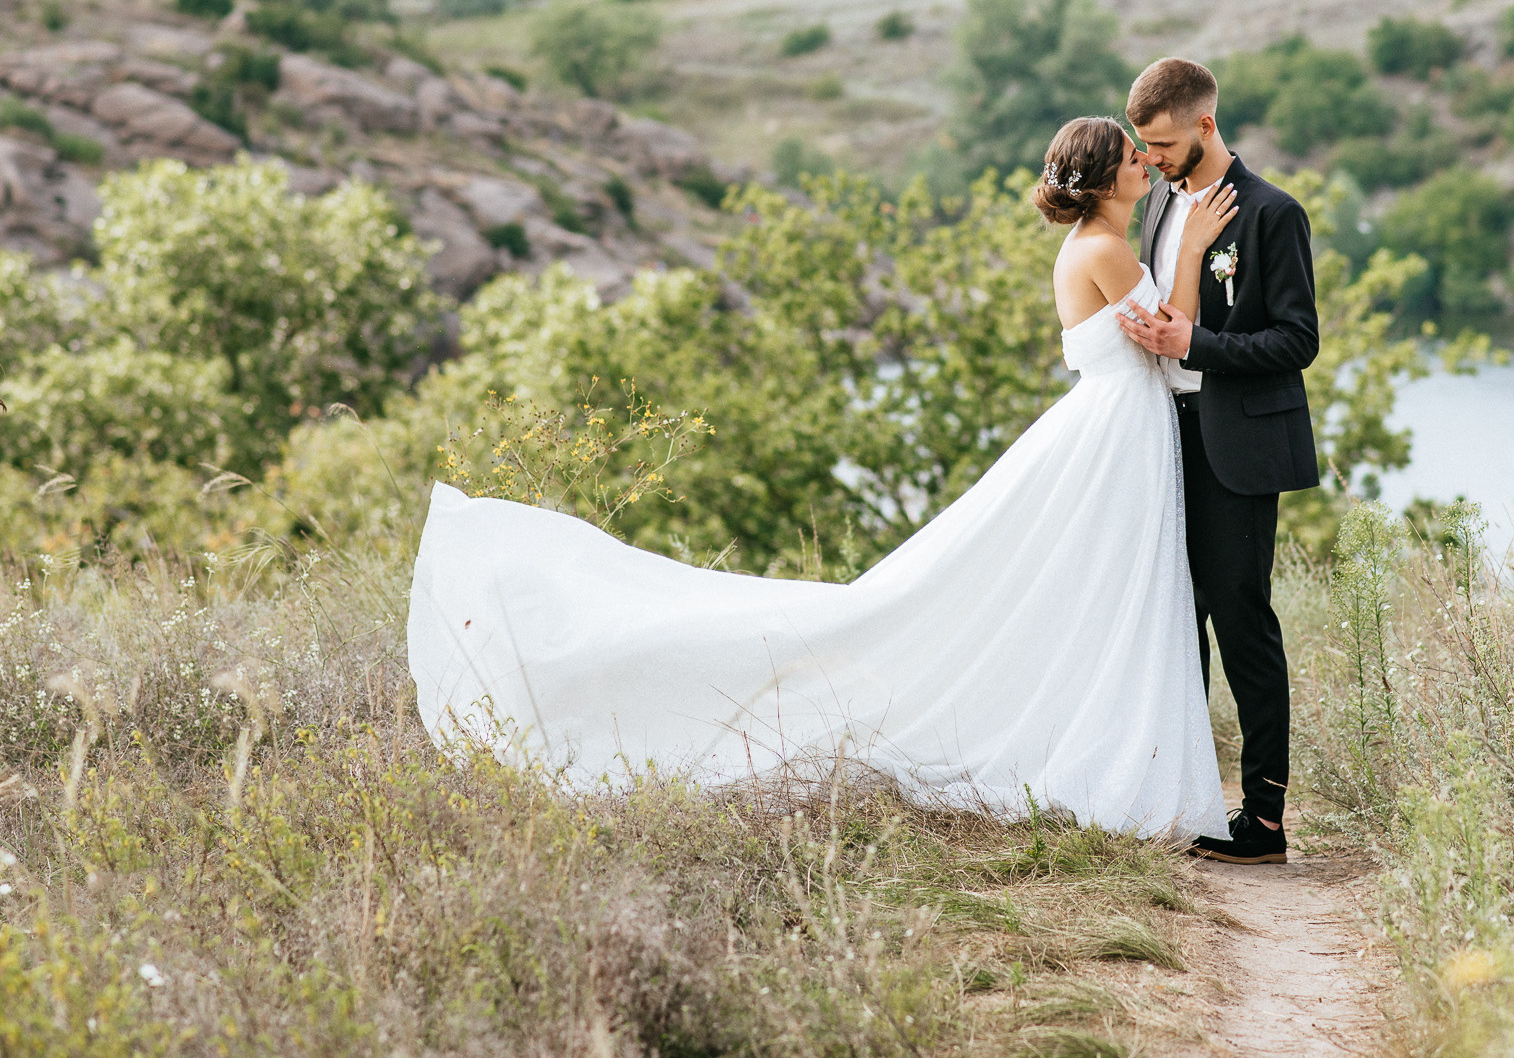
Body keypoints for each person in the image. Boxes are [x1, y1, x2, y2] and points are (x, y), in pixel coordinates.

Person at [407, 116, 1237, 843]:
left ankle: (1108, 741)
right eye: (1131, 156)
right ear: (1101, 178)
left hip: (1112, 433)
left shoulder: (1095, 243)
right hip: (1114, 438)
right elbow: (1173, 336)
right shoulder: (1104, 247)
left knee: (1103, 594)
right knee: (1097, 592)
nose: (1144, 164)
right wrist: (1195, 249)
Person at [1117, 58, 1321, 865]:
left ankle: (1264, 820)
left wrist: (1196, 342)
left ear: (1205, 124)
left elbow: (1298, 339)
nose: (1154, 158)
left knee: (1244, 627)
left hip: (1237, 445)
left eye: (1164, 143)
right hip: (1165, 439)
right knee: (1176, 625)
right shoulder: (1160, 201)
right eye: (1145, 145)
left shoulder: (1274, 213)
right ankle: (1187, 797)